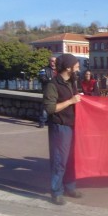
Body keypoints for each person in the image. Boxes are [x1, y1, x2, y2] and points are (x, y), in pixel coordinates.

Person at [43, 54, 82, 205]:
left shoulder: (72, 81)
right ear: (68, 67)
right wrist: (71, 101)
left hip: (72, 125)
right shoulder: (52, 85)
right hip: (60, 127)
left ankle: (70, 187)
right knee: (60, 161)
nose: (78, 68)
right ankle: (56, 191)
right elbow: (50, 108)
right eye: (76, 65)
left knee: (72, 159)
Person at [37, 56, 57, 128]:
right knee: (45, 107)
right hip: (47, 91)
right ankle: (42, 122)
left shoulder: (60, 70)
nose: (53, 63)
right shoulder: (44, 69)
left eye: (55, 61)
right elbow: (42, 78)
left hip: (57, 91)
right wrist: (52, 81)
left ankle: (54, 121)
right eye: (52, 61)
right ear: (49, 62)